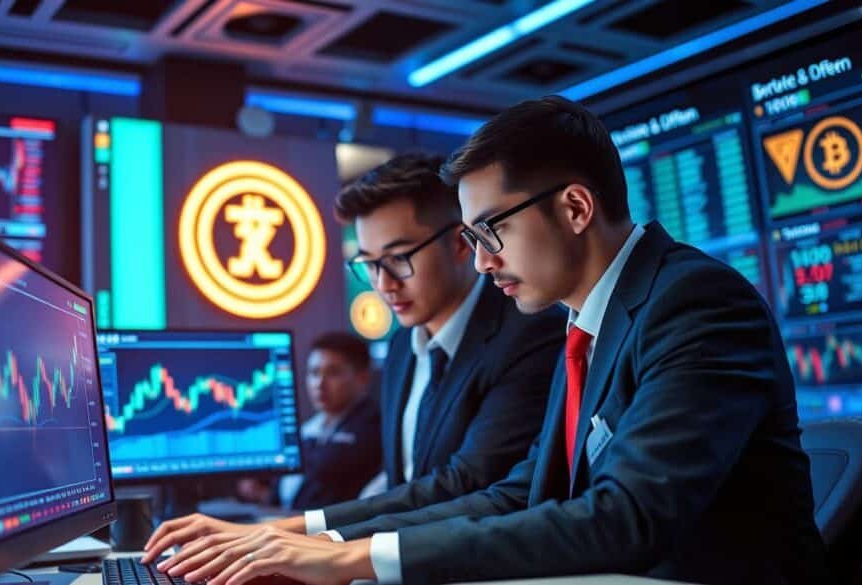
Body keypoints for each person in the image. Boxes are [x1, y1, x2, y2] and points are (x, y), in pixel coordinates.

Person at [145, 97, 828, 585]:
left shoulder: (696, 301)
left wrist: (353, 557)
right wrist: (323, 541)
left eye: (488, 232)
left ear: (576, 207)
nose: (481, 259)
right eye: (470, 238)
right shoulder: (584, 319)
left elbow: (627, 516)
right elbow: (517, 492)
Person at [141, 152, 566, 568]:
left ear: (459, 243)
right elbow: (409, 487)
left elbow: (467, 484)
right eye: (368, 264)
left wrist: (306, 535)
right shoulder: (403, 345)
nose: (383, 285)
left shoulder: (529, 334)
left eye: (399, 259)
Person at [238, 331, 382, 510]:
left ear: (363, 378)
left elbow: (328, 470)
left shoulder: (374, 427)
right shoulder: (308, 430)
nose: (319, 384)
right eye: (314, 373)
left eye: (333, 373)